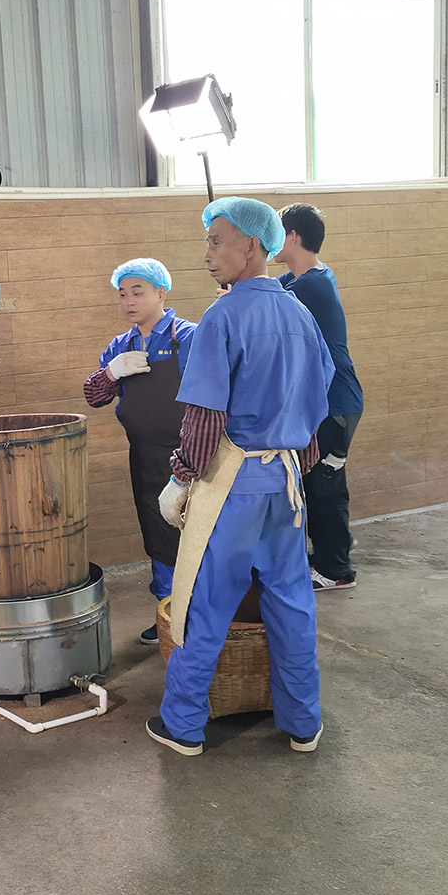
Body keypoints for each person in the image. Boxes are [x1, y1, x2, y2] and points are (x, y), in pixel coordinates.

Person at [149, 196, 334, 757]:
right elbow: (316, 403)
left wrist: (182, 476)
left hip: (232, 486)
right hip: (287, 486)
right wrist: (299, 465)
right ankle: (303, 722)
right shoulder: (300, 314)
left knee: (204, 602)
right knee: (292, 601)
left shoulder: (222, 317)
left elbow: (205, 417)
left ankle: (183, 725)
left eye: (215, 242)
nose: (206, 254)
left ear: (251, 246)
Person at [83, 258, 196, 645]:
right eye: (122, 294)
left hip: (192, 457)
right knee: (157, 534)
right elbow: (94, 396)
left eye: (138, 292)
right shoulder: (122, 346)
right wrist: (111, 373)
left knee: (197, 534)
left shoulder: (189, 336)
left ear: (161, 293)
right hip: (145, 457)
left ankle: (202, 614)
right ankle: (167, 612)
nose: (129, 301)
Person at [275, 203, 364, 591]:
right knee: (318, 483)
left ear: (293, 236)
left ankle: (336, 569)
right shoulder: (301, 278)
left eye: (277, 234)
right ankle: (335, 547)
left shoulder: (311, 285)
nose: (271, 242)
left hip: (337, 403)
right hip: (326, 403)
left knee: (325, 487)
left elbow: (266, 304)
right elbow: (265, 289)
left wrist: (234, 296)